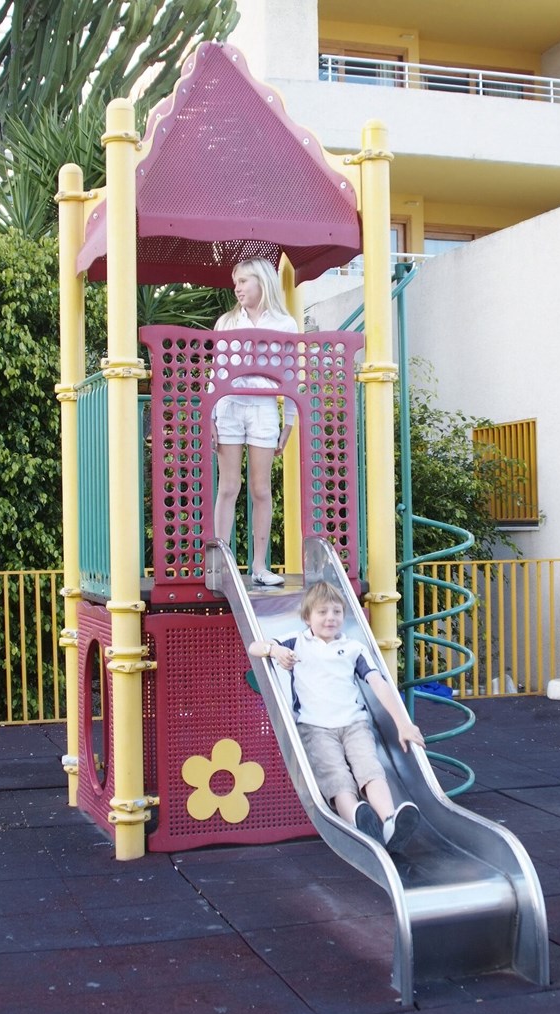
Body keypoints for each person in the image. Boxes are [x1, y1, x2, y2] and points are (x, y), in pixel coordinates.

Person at [249, 581, 426, 853]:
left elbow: (379, 683)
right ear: (308, 617)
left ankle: (390, 821)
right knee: (337, 778)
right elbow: (255, 647)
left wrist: (403, 723)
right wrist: (275, 650)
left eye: (336, 612)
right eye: (322, 612)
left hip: (354, 724)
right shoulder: (296, 643)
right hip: (315, 728)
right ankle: (357, 818)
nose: (330, 618)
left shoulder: (354, 648)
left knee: (370, 769)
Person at [211, 258, 298, 587]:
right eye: (237, 281)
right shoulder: (227, 322)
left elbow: (291, 374)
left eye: (244, 281)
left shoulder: (285, 324)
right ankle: (223, 565)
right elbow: (216, 373)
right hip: (229, 406)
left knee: (261, 489)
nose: (238, 287)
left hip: (263, 408)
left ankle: (260, 567)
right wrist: (211, 415)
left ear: (263, 282)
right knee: (228, 487)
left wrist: (289, 420)